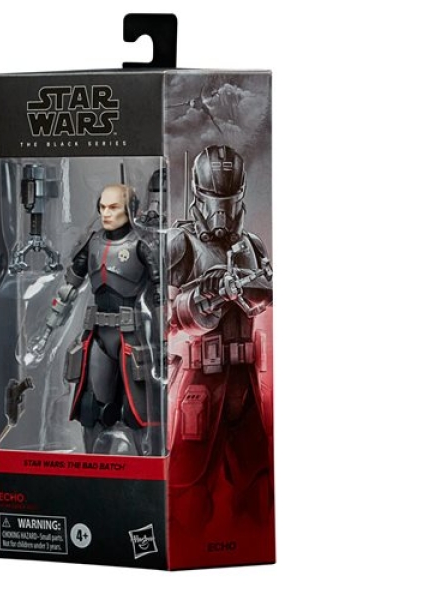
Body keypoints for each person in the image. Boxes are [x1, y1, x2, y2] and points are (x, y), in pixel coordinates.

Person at [166, 145, 274, 535]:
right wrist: (205, 296)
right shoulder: (180, 243)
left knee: (256, 491)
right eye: (214, 198)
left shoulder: (253, 245)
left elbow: (267, 296)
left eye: (228, 198)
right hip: (200, 383)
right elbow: (161, 318)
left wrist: (254, 290)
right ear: (198, 193)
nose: (221, 211)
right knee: (188, 493)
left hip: (245, 383)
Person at [35, 184, 162, 455]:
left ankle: (146, 465)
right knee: (92, 409)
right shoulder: (92, 242)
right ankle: (93, 465)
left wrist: (164, 341)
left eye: (113, 207)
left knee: (138, 411)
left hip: (133, 337)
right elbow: (68, 289)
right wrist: (47, 331)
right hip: (98, 336)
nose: (106, 213)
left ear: (131, 210)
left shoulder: (142, 245)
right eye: (102, 207)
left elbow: (162, 294)